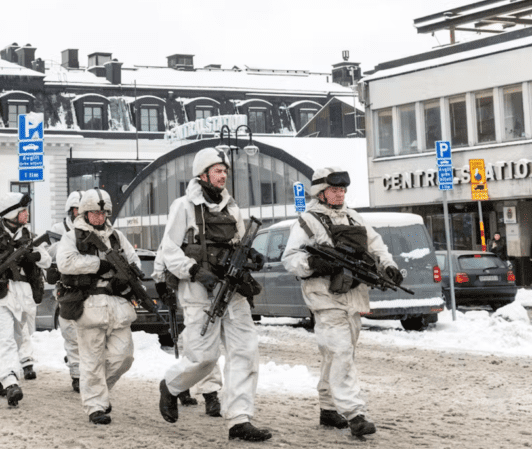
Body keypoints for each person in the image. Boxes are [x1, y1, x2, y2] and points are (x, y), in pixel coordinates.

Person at [157, 147, 272, 442]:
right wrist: (193, 271)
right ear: (202, 174)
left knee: (246, 353)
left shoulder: (232, 208)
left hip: (232, 290)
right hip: (199, 290)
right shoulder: (183, 206)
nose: (223, 176)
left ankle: (239, 420)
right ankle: (171, 386)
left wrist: (252, 256)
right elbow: (169, 249)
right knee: (203, 358)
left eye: (225, 171)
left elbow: (239, 243)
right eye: (217, 171)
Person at [282, 167, 403, 439]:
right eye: (335, 189)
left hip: (352, 297)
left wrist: (389, 265)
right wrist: (313, 263)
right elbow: (290, 259)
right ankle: (354, 414)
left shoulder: (353, 216)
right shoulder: (307, 221)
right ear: (320, 191)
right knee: (340, 353)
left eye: (343, 190)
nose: (340, 194)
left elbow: (376, 244)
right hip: (324, 298)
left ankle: (328, 408)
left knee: (336, 355)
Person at [56, 189, 140, 425]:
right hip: (89, 304)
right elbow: (66, 262)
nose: (99, 217)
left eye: (103, 212)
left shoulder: (117, 237)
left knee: (124, 357)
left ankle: (97, 392)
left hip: (117, 305)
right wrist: (98, 265)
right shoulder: (72, 236)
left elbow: (133, 259)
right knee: (91, 361)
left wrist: (127, 275)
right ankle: (95, 406)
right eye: (94, 212)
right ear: (85, 212)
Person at [0, 191, 51, 407]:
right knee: (4, 339)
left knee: (17, 339)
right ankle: (11, 383)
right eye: (23, 211)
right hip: (0, 294)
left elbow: (48, 260)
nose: (26, 214)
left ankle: (1, 378)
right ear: (13, 213)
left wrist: (36, 255)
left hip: (23, 297)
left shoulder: (29, 235)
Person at [152, 247, 224, 415]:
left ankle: (202, 390)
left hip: (206, 292)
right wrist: (163, 289)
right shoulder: (176, 235)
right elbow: (161, 262)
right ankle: (197, 389)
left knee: (198, 344)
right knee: (195, 343)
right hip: (185, 294)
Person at [48, 190, 84, 392]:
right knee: (70, 333)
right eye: (77, 209)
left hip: (88, 289)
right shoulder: (57, 230)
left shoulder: (91, 230)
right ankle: (77, 374)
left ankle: (83, 367)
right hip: (67, 288)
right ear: (70, 210)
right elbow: (47, 255)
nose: (79, 213)